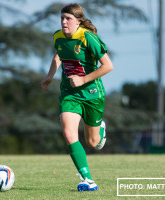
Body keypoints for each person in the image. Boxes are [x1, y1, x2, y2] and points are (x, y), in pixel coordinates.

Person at [41, 3, 113, 192]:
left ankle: (100, 130)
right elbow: (59, 54)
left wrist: (83, 80)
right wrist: (49, 76)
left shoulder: (89, 38)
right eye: (62, 18)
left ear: (78, 21)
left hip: (92, 94)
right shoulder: (58, 36)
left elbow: (108, 66)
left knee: (92, 142)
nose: (64, 22)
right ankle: (88, 179)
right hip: (69, 93)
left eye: (68, 19)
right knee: (68, 133)